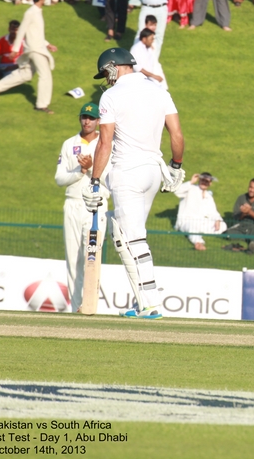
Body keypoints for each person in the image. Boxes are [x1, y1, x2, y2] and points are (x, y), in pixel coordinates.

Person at [84, 47, 186, 319]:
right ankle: (142, 302)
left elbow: (105, 143)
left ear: (115, 67)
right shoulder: (159, 90)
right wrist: (176, 167)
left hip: (126, 172)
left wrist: (94, 180)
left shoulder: (111, 96)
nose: (106, 78)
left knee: (134, 239)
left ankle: (152, 305)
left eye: (106, 72)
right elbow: (176, 133)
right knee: (121, 236)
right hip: (154, 171)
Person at [55, 102, 111, 313]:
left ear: (98, 121)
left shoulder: (107, 144)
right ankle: (76, 308)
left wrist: (92, 169)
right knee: (73, 258)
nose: (87, 121)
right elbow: (60, 179)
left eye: (92, 118)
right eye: (84, 117)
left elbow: (111, 181)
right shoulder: (69, 143)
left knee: (92, 256)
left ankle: (89, 305)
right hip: (73, 203)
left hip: (96, 206)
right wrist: (81, 171)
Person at [0, 0, 57, 112]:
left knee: (26, 74)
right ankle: (41, 105)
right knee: (45, 75)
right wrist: (15, 49)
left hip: (37, 48)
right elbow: (22, 30)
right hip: (35, 50)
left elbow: (36, 33)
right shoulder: (31, 12)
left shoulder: (37, 11)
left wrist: (48, 44)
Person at [174, 173, 226, 250]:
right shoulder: (190, 189)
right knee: (191, 227)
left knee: (223, 225)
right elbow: (177, 191)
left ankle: (198, 233)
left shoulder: (209, 196)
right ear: (199, 180)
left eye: (206, 181)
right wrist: (191, 182)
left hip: (201, 222)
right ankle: (198, 243)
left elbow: (213, 212)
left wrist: (217, 220)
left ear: (210, 183)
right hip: (187, 221)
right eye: (202, 180)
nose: (204, 183)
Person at [226, 178, 254, 255]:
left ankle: (253, 247)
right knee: (228, 234)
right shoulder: (241, 198)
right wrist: (243, 213)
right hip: (243, 226)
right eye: (250, 187)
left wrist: (249, 211)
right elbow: (235, 217)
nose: (252, 190)